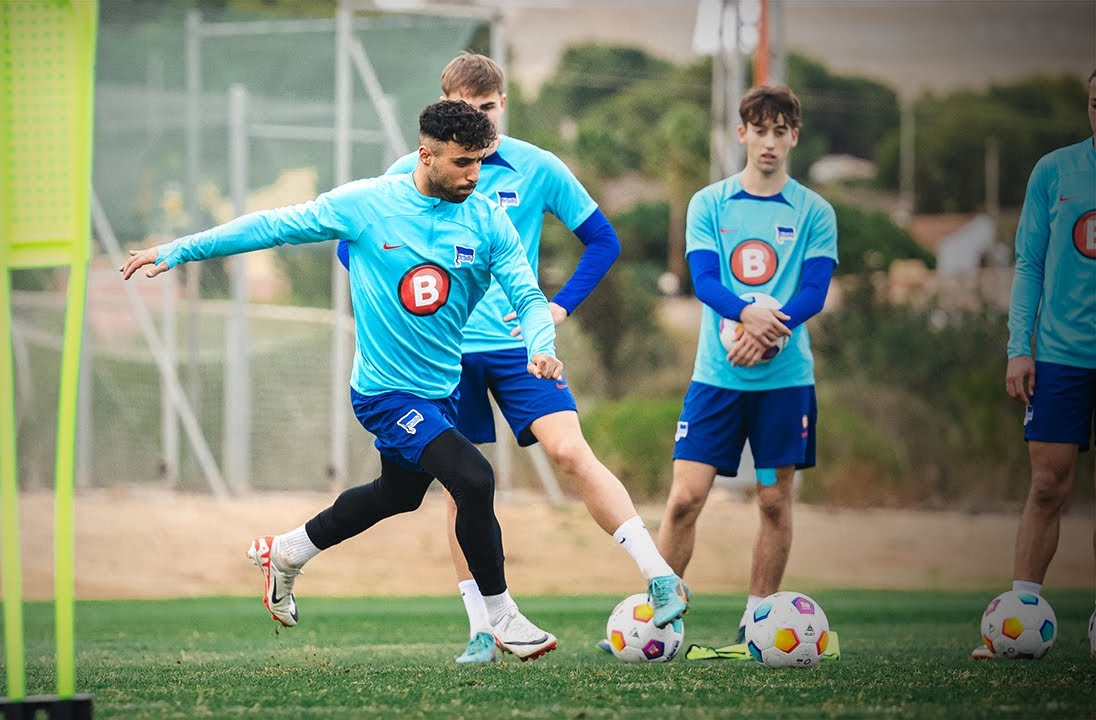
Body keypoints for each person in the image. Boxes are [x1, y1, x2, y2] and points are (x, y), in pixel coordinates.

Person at [122, 100, 572, 664]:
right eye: (462, 163)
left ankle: (287, 551)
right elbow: (271, 226)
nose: (474, 175)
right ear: (425, 154)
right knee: (474, 477)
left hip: (440, 392)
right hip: (384, 394)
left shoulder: (486, 218)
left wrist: (541, 344)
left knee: (399, 496)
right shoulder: (367, 205)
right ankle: (502, 614)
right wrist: (177, 250)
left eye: (480, 162)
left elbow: (528, 296)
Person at [337, 53, 690, 662]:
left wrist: (559, 309)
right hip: (443, 357)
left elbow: (604, 240)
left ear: (504, 104)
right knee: (461, 490)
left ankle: (658, 573)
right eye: (467, 108)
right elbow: (351, 247)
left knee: (571, 451)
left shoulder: (539, 167)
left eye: (489, 107)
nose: (479, 119)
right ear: (444, 110)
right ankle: (482, 628)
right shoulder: (409, 170)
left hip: (518, 347)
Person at [649, 84, 838, 649]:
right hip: (717, 375)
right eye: (760, 130)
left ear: (794, 138)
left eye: (781, 132)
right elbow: (705, 281)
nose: (770, 143)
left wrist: (770, 333)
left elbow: (815, 291)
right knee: (685, 498)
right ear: (742, 134)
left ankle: (758, 622)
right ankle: (662, 616)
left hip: (784, 378)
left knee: (774, 501)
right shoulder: (709, 203)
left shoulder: (814, 211)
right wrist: (749, 316)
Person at [974, 70, 1096, 660]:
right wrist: (1018, 348)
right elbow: (1028, 265)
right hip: (1060, 358)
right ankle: (1017, 623)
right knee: (1048, 485)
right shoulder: (1055, 170)